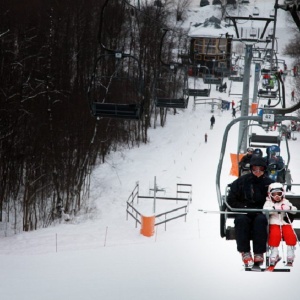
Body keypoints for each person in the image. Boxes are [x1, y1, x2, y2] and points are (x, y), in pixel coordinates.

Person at [227, 156, 274, 266]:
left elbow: (278, 199)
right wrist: (243, 207)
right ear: (251, 169)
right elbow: (231, 200)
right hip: (245, 211)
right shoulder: (241, 182)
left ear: (264, 169)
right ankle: (245, 252)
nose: (258, 172)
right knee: (241, 220)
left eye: (260, 169)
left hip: (261, 212)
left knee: (261, 221)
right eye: (255, 169)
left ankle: (258, 253)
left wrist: (266, 207)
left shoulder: (269, 183)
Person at [263, 182, 297, 265]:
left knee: (290, 234)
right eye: (274, 194)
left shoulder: (286, 201)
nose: (277, 196)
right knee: (275, 235)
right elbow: (264, 210)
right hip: (274, 223)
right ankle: (274, 253)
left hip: (284, 223)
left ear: (283, 193)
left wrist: (288, 208)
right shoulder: (268, 202)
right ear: (270, 194)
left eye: (279, 194)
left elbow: (295, 210)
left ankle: (290, 252)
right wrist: (274, 208)